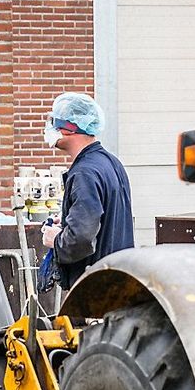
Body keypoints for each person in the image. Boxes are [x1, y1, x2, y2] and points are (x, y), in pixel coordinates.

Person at [39, 92, 134, 289]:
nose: (49, 129)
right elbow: (103, 220)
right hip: (118, 280)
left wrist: (55, 240)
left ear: (69, 128)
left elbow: (80, 239)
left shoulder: (85, 172)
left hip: (94, 290)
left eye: (54, 122)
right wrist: (67, 219)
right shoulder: (110, 163)